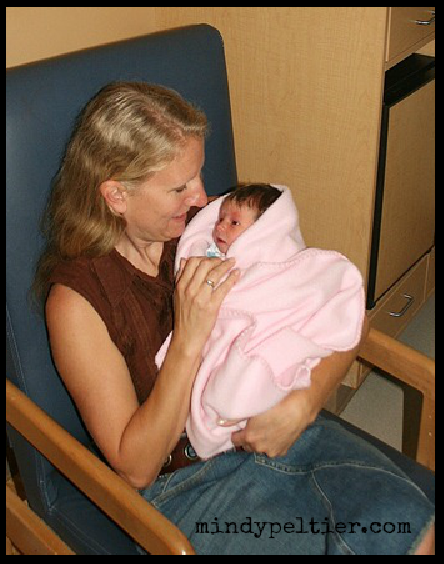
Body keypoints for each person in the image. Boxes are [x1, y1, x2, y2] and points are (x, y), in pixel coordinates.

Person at [35, 81, 435, 555]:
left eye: (199, 174)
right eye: (179, 187)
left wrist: (303, 404)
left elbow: (340, 313)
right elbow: (136, 467)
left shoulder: (214, 233)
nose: (204, 197)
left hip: (278, 427)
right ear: (116, 195)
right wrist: (188, 338)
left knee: (408, 521)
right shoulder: (77, 302)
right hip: (186, 485)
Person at [156, 183, 366, 459]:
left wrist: (305, 403)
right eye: (219, 220)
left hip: (279, 399)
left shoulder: (284, 270)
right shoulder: (205, 253)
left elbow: (344, 299)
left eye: (232, 223)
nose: (219, 228)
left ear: (262, 232)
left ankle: (245, 391)